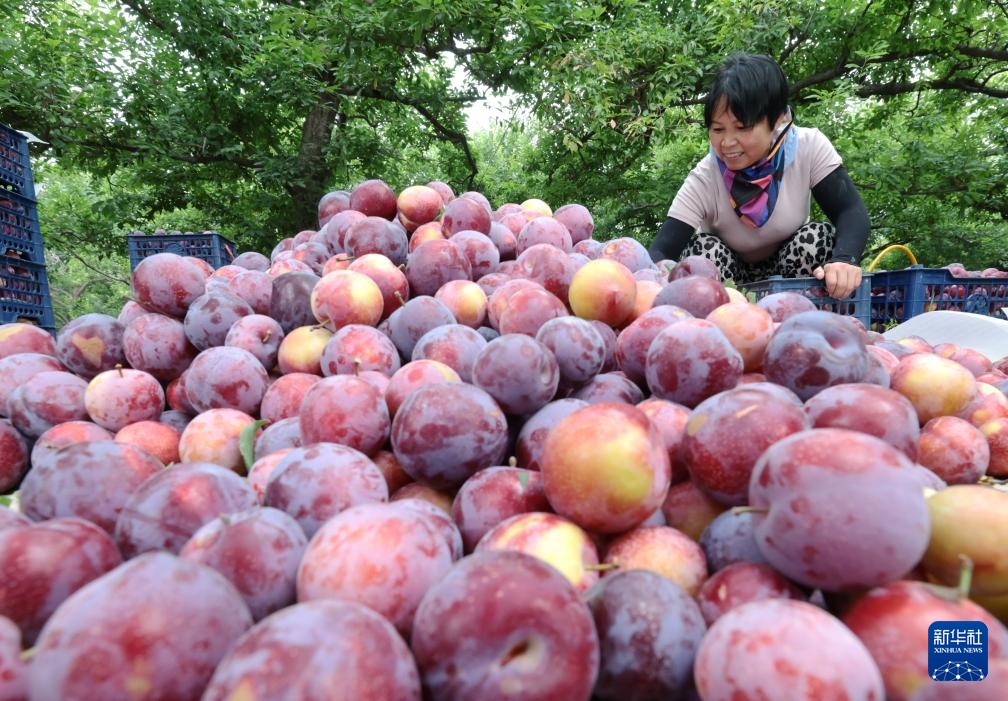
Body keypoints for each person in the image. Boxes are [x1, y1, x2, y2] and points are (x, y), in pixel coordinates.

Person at [648, 53, 870, 299]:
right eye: (718, 129)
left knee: (816, 238)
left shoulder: (809, 147)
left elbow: (850, 211)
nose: (728, 143)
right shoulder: (705, 176)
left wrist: (844, 260)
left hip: (792, 276)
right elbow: (661, 252)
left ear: (775, 120)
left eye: (742, 127)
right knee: (702, 253)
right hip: (731, 289)